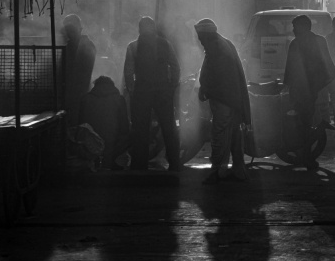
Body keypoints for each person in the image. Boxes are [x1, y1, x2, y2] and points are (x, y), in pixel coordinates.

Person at [195, 18, 250, 183]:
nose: (199, 40)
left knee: (219, 135)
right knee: (233, 134)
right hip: (231, 99)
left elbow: (217, 77)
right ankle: (238, 169)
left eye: (200, 36)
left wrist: (205, 90)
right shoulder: (224, 43)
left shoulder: (216, 48)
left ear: (205, 35)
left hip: (223, 99)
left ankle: (218, 171)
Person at [123, 16, 181, 171]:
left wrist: (132, 91)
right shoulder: (166, 44)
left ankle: (139, 164)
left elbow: (128, 73)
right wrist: (171, 87)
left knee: (140, 129)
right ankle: (175, 163)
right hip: (163, 92)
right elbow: (175, 67)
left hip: (142, 92)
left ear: (139, 29)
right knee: (168, 127)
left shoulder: (133, 47)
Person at [283, 15, 335, 170]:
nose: (293, 30)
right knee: (304, 122)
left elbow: (290, 69)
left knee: (302, 124)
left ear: (303, 27)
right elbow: (328, 66)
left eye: (295, 27)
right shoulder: (319, 41)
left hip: (302, 92)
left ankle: (306, 155)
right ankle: (305, 154)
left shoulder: (297, 43)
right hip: (314, 89)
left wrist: (286, 86)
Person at [78, 76, 130, 170]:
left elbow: (81, 126)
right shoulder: (119, 100)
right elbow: (125, 129)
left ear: (95, 85)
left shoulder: (85, 99)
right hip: (113, 150)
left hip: (90, 150)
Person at [61, 14, 96, 128]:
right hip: (73, 94)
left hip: (79, 94)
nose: (66, 32)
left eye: (69, 29)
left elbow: (78, 73)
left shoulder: (85, 46)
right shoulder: (72, 46)